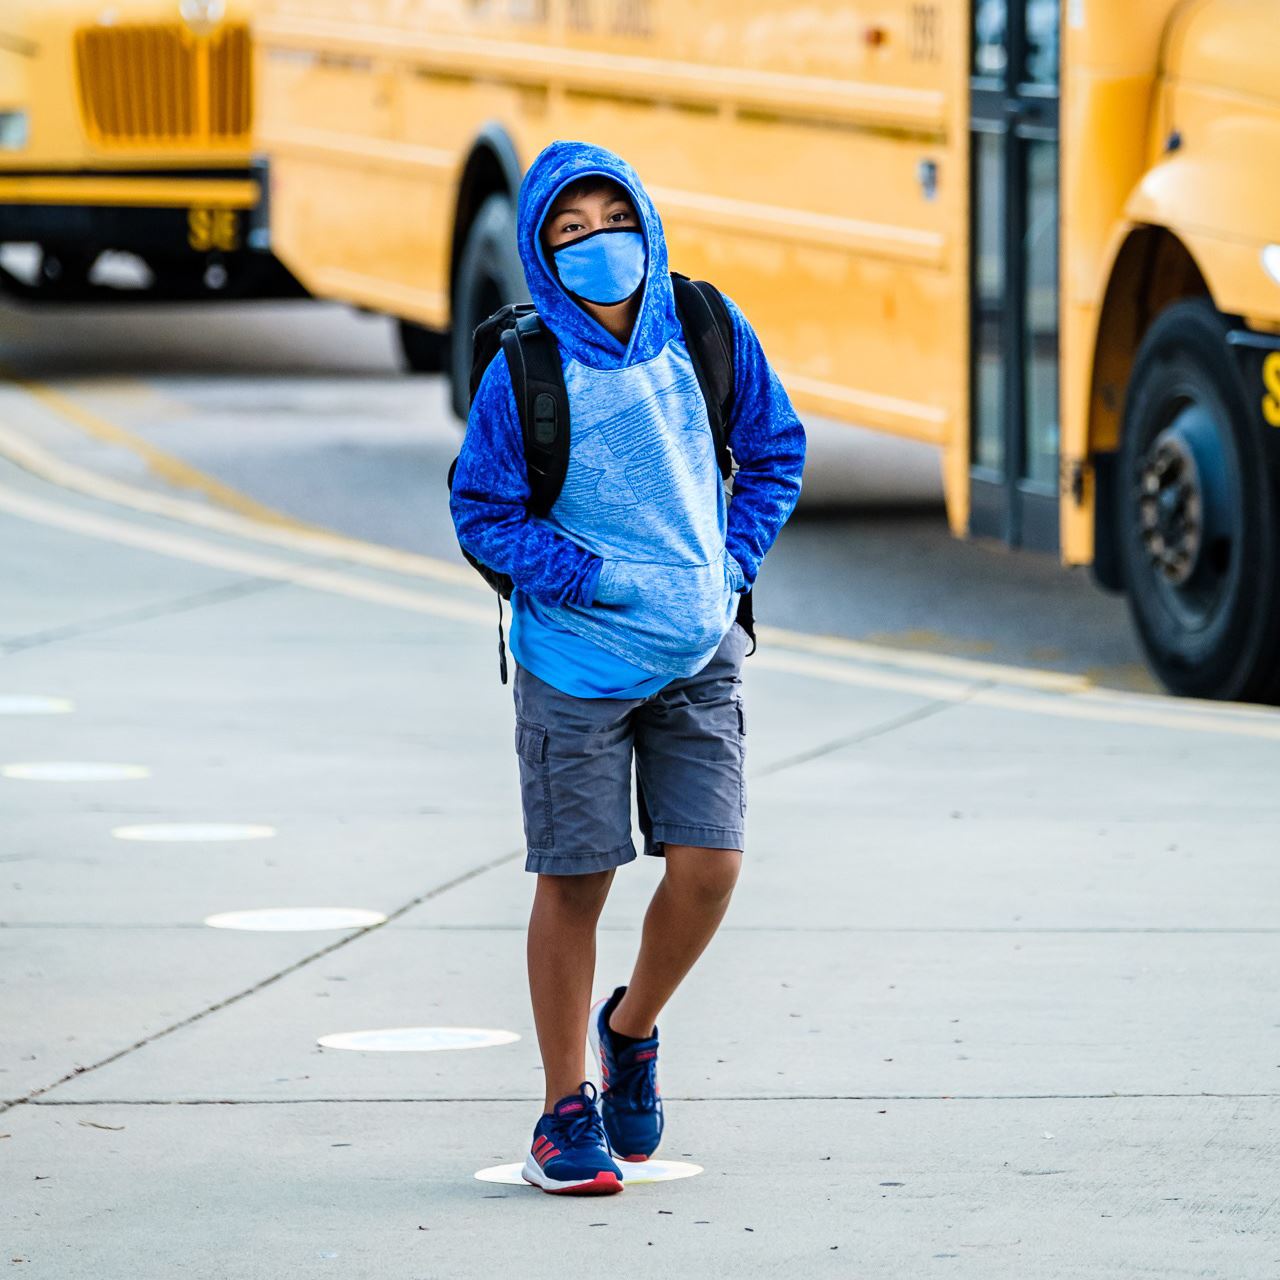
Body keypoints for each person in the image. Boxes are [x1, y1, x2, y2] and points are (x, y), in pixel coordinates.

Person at [449, 139, 805, 1195]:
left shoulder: (702, 326)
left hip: (697, 653)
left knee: (710, 865)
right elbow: (481, 509)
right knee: (577, 877)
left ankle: (631, 1027)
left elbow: (774, 448)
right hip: (575, 660)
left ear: (645, 226)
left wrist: (723, 566)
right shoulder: (524, 370)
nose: (596, 244)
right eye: (568, 230)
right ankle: (563, 1112)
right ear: (538, 252)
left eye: (612, 221)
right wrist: (588, 577)